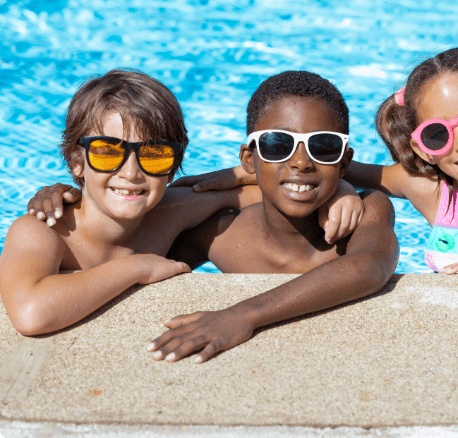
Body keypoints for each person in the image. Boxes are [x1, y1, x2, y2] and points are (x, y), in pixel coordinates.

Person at [21, 70, 398, 364]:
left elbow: (367, 266)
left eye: (324, 148)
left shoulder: (370, 209)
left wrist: (242, 315)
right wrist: (133, 263)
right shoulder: (216, 236)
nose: (300, 161)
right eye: (277, 144)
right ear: (249, 158)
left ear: (343, 161)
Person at [162, 46, 458, 281]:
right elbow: (330, 169)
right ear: (422, 149)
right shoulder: (431, 193)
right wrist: (247, 172)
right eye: (438, 134)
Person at [0, 69, 261, 336]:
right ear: (77, 162)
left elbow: (275, 193)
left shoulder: (173, 211)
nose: (131, 172)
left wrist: (239, 173)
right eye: (107, 151)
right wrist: (135, 267)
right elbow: (30, 314)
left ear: (172, 168)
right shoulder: (46, 230)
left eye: (154, 153)